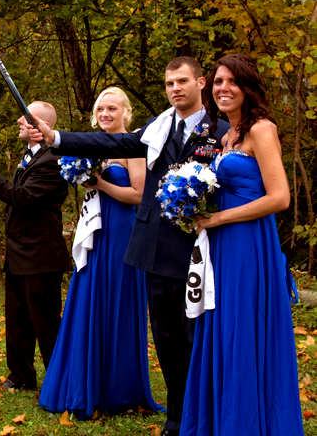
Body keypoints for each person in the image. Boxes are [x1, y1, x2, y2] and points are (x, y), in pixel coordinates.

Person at [28, 57, 230, 435]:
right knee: (166, 335)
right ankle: (177, 414)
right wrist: (56, 138)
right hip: (153, 246)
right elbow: (114, 142)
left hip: (200, 248)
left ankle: (207, 410)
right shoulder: (159, 125)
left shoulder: (221, 131)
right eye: (170, 83)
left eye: (183, 81)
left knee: (198, 335)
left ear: (201, 83)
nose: (176, 89)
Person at [181, 54, 302, 435]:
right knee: (222, 328)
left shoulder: (262, 129)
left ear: (248, 87)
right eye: (217, 82)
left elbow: (280, 197)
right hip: (219, 246)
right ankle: (222, 420)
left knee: (242, 330)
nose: (223, 88)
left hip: (248, 246)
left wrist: (216, 218)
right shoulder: (223, 136)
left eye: (232, 81)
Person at [36, 89, 163, 416]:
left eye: (112, 108)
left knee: (116, 301)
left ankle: (117, 388)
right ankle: (83, 381)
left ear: (125, 112)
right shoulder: (92, 145)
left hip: (121, 231)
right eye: (100, 108)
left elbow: (138, 194)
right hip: (94, 229)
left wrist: (100, 184)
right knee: (88, 298)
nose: (105, 113)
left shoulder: (134, 146)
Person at [0, 101, 71, 391]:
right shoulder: (30, 155)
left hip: (41, 254)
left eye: (26, 118)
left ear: (41, 128)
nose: (18, 120)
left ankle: (59, 379)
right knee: (17, 320)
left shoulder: (54, 159)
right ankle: (21, 375)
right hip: (19, 252)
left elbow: (24, 197)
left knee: (46, 322)